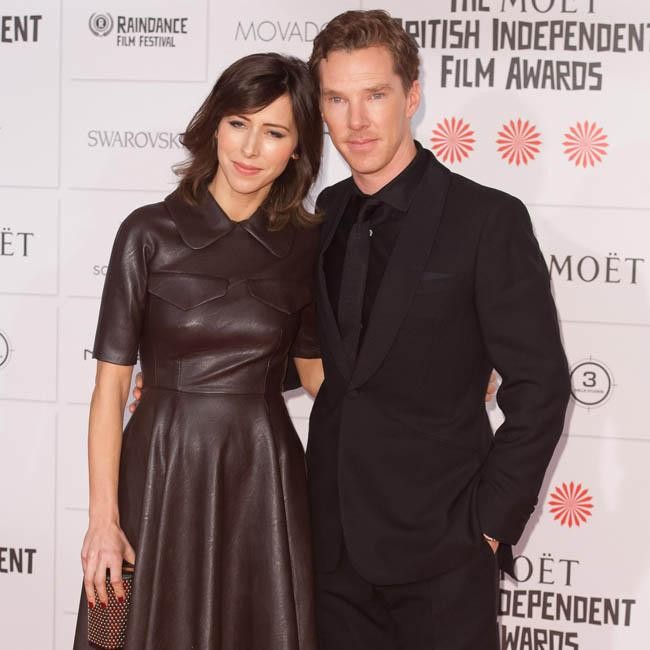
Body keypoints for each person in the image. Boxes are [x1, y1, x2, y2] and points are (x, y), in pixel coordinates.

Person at [304, 10, 571, 650]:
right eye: (337, 99)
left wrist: (488, 524)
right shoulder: (325, 213)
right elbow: (329, 354)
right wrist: (188, 379)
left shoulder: (486, 219)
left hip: (444, 551)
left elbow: (540, 385)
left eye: (375, 95)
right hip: (333, 549)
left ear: (413, 95)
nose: (356, 120)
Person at [73, 53, 325, 649]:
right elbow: (111, 389)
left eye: (274, 132)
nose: (250, 148)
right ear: (215, 125)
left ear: (297, 149)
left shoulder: (307, 246)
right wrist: (103, 520)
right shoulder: (147, 233)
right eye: (239, 123)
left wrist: (433, 390)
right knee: (126, 629)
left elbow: (320, 375)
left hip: (262, 475)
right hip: (158, 470)